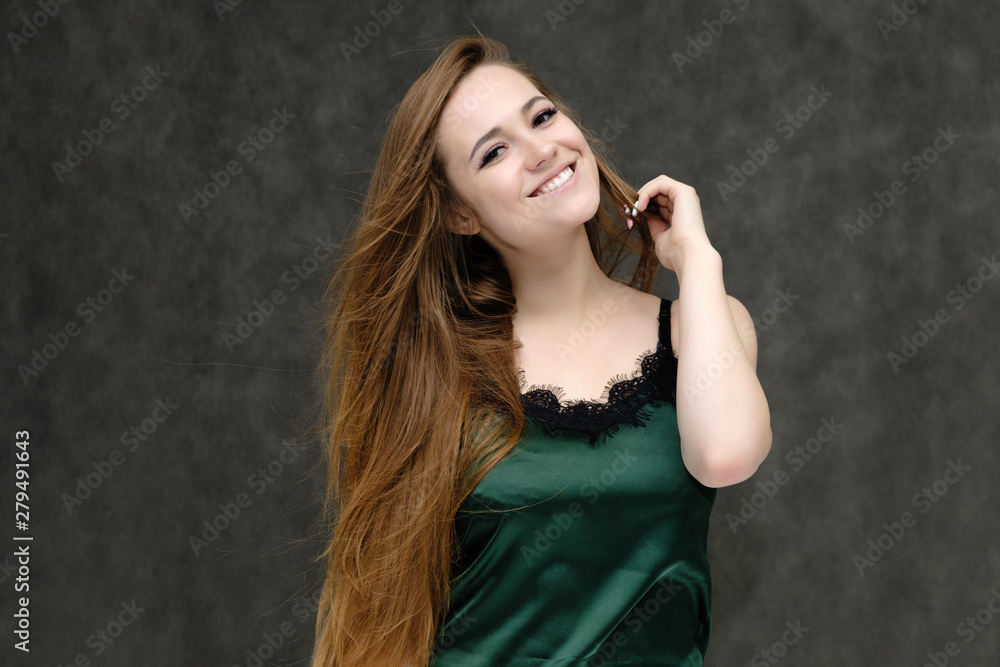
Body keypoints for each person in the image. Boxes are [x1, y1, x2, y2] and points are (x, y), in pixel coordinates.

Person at [309, 32, 772, 667]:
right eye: (494, 151)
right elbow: (389, 611)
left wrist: (697, 261)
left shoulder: (708, 326)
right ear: (460, 215)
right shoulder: (434, 373)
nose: (541, 150)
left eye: (543, 116)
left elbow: (725, 456)